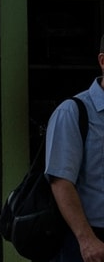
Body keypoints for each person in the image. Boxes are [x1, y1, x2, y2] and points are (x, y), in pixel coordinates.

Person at [47, 36, 104, 261]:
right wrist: (86, 240)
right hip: (91, 240)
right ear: (102, 61)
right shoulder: (73, 112)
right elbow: (60, 181)